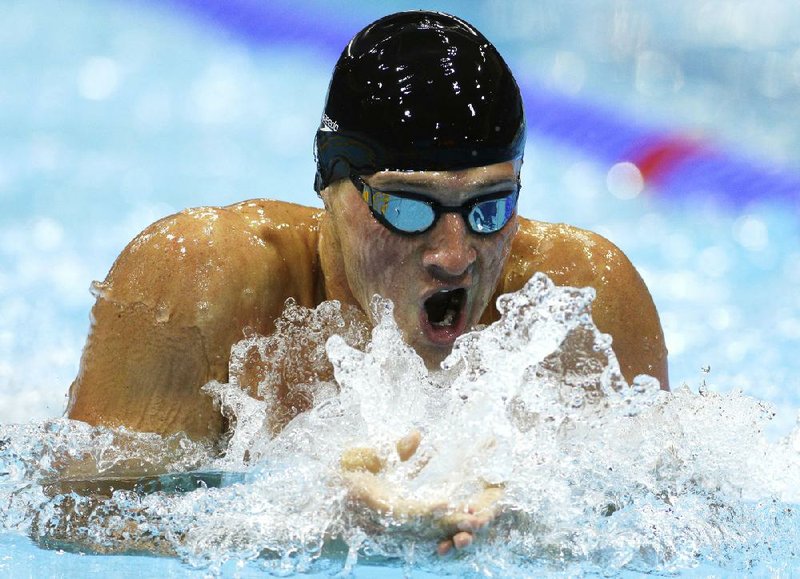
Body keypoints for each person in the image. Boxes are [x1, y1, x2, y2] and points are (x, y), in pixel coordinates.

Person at [64, 10, 668, 553]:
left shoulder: (580, 304)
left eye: (489, 207)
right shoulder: (200, 283)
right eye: (408, 208)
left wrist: (535, 523)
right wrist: (313, 522)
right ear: (331, 186)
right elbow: (72, 518)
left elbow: (673, 525)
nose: (455, 257)